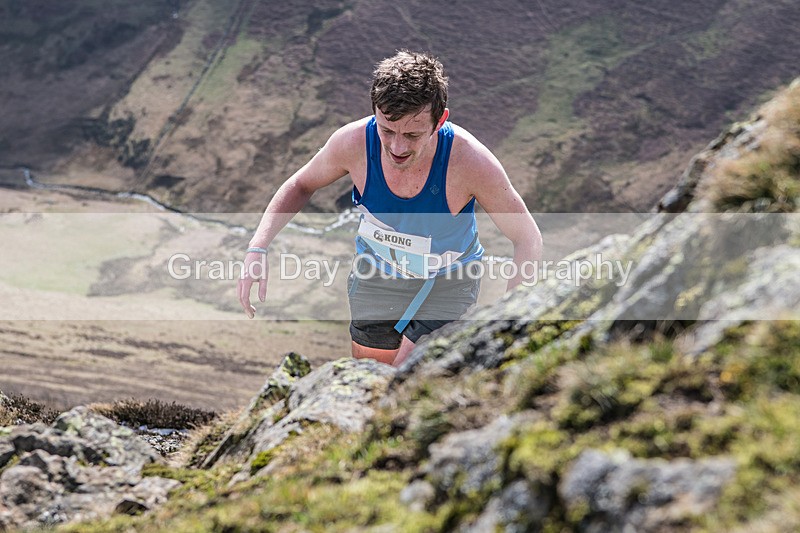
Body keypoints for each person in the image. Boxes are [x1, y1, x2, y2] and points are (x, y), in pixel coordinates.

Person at [238, 50, 542, 367]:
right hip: (376, 275)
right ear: (375, 113)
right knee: (372, 374)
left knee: (409, 371)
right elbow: (300, 184)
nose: (397, 147)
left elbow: (527, 237)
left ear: (440, 120)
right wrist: (257, 248)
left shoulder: (470, 162)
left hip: (449, 280)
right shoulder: (353, 142)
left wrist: (512, 317)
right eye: (387, 130)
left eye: (412, 134)